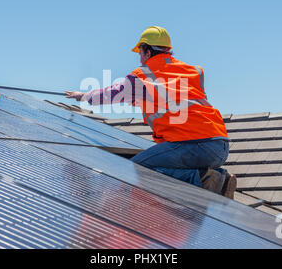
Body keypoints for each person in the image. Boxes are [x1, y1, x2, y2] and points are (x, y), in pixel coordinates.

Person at [66, 26, 237, 199]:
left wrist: (85, 96)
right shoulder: (191, 71)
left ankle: (207, 180)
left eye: (140, 53)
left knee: (135, 170)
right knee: (154, 166)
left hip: (193, 145)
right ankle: (212, 177)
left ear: (147, 51)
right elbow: (169, 98)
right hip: (220, 145)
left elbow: (114, 93)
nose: (140, 59)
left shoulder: (143, 75)